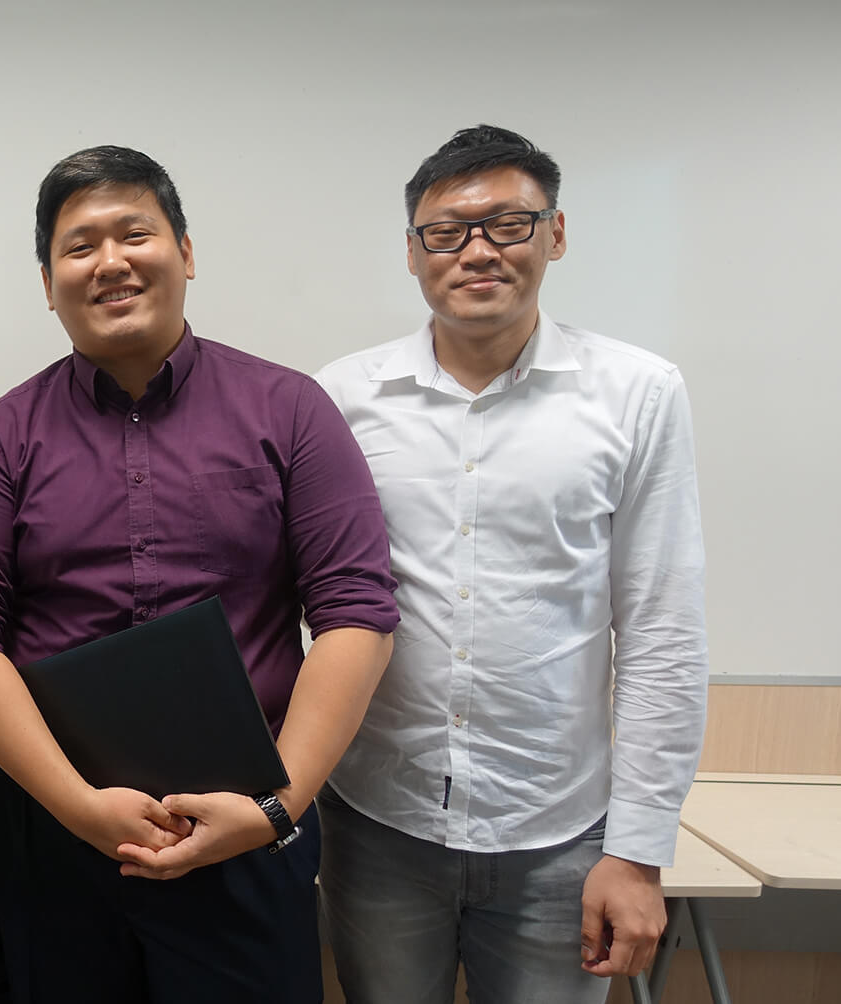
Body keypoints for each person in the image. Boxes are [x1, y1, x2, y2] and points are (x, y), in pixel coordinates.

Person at [0, 145, 399, 1003]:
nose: (110, 262)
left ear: (184, 250)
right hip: (56, 831)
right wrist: (75, 804)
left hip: (250, 822)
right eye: (79, 245)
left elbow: (355, 610)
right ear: (47, 278)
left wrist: (276, 808)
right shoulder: (2, 436)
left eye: (134, 233)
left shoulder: (289, 410)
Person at [313, 124, 709, 1002]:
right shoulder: (341, 398)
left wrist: (638, 853)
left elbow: (662, 633)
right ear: (413, 255)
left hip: (559, 833)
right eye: (446, 232)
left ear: (556, 235)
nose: (477, 251)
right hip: (379, 821)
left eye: (508, 224)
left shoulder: (639, 393)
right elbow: (315, 604)